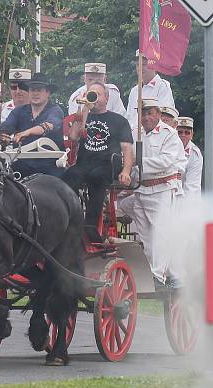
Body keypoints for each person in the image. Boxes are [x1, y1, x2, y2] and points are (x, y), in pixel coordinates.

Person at [118, 98, 186, 288]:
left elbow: (166, 162)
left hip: (161, 189)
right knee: (146, 236)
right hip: (141, 189)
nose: (146, 117)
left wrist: (136, 162)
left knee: (160, 235)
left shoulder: (169, 134)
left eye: (150, 112)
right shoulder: (135, 134)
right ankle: (151, 273)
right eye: (143, 113)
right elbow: (126, 158)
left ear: (158, 113)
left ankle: (158, 275)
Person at [63, 81, 134, 242]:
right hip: (85, 163)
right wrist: (84, 108)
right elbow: (74, 136)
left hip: (107, 164)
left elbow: (127, 149)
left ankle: (91, 226)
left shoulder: (119, 120)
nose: (93, 97)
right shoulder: (84, 115)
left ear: (107, 98)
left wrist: (126, 171)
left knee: (97, 177)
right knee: (69, 176)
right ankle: (72, 220)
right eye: (91, 93)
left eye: (97, 94)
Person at [0, 72, 65, 177]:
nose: (35, 93)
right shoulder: (18, 111)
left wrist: (26, 132)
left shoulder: (55, 110)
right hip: (23, 164)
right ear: (29, 92)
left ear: (48, 92)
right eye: (32, 90)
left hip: (51, 165)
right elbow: (5, 128)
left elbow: (49, 126)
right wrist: (2, 135)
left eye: (39, 90)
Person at [125, 50, 175, 131]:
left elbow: (165, 117)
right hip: (135, 137)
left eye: (144, 64)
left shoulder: (162, 87)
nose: (140, 68)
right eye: (138, 65)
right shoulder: (134, 91)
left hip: (155, 137)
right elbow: (129, 118)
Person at [176, 116, 203, 199]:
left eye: (187, 132)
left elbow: (192, 187)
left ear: (192, 135)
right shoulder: (167, 148)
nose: (183, 135)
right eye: (179, 132)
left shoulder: (195, 154)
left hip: (188, 199)